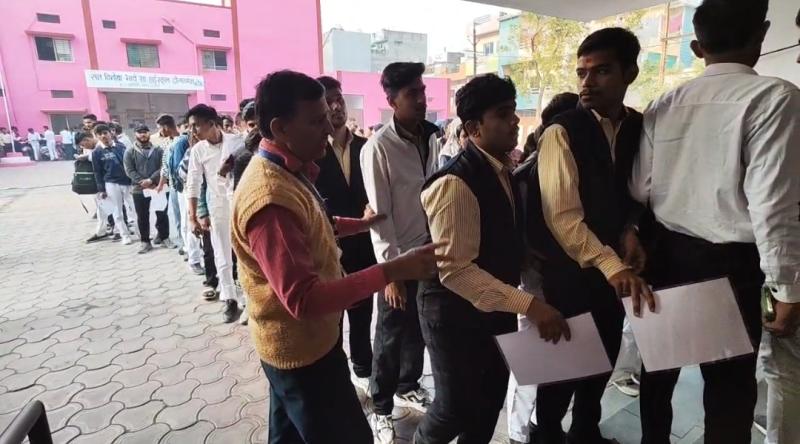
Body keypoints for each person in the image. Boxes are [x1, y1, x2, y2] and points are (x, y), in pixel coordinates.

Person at [229, 69, 440, 444]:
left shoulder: (288, 170)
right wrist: (392, 270)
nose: (329, 128)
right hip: (301, 354)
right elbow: (304, 299)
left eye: (328, 115)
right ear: (280, 128)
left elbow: (314, 222)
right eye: (316, 121)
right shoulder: (270, 200)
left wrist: (360, 224)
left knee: (288, 435)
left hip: (303, 346)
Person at [629, 1, 800, 443]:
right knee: (728, 391)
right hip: (732, 265)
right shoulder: (775, 98)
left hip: (666, 256)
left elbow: (640, 188)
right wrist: (786, 288)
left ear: (696, 47)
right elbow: (772, 204)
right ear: (762, 35)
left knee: (658, 372)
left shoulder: (665, 102)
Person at [414, 73, 569, 444]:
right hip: (452, 312)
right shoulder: (454, 183)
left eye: (513, 111)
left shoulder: (503, 169)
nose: (514, 121)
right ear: (473, 128)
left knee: (488, 399)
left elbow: (499, 235)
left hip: (493, 305)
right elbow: (456, 272)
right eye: (502, 114)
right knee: (454, 407)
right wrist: (531, 306)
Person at [530, 28, 653, 444]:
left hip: (614, 274)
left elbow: (638, 192)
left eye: (601, 71)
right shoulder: (561, 132)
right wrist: (611, 264)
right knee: (561, 373)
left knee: (601, 362)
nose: (587, 82)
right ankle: (545, 436)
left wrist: (631, 228)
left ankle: (586, 433)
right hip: (570, 275)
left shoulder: (638, 126)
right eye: (582, 72)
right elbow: (563, 218)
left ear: (630, 73)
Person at [360, 62, 440, 443]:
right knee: (390, 335)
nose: (422, 100)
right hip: (398, 255)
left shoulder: (431, 136)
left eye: (422, 91)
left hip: (429, 251)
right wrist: (390, 272)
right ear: (392, 101)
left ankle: (408, 385)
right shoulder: (378, 147)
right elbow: (379, 216)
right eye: (412, 94)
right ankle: (380, 408)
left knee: (420, 327)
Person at [506, 90, 584, 444]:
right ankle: (518, 433)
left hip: (560, 279)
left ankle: (539, 424)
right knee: (530, 362)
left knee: (552, 358)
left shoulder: (570, 166)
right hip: (534, 281)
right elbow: (520, 234)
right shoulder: (527, 173)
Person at [314, 75, 379, 393]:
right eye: (328, 101)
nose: (336, 106)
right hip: (330, 248)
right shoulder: (312, 151)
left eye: (338, 99)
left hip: (365, 244)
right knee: (333, 319)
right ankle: (336, 379)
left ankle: (363, 369)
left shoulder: (366, 148)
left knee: (363, 313)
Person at [185, 104, 244, 323]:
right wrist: (193, 217)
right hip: (217, 204)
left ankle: (250, 298)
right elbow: (193, 184)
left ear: (211, 123)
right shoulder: (198, 150)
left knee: (245, 251)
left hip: (239, 201)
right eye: (191, 126)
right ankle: (229, 299)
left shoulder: (236, 142)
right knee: (221, 252)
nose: (193, 131)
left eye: (196, 125)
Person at [123, 124, 169, 254]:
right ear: (135, 134)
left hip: (157, 187)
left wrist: (151, 180)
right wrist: (142, 181)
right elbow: (129, 170)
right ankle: (145, 241)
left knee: (162, 213)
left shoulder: (158, 150)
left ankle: (164, 237)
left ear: (149, 133)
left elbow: (163, 167)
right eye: (140, 132)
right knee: (142, 216)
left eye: (145, 132)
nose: (143, 134)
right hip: (139, 189)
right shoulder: (129, 151)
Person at [91, 123, 137, 246]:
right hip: (111, 183)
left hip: (127, 182)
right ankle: (124, 235)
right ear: (96, 136)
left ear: (111, 133)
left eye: (105, 133)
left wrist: (134, 180)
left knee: (134, 208)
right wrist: (101, 189)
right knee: (117, 211)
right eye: (99, 134)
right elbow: (97, 172)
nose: (103, 136)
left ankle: (141, 233)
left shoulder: (121, 147)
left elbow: (130, 164)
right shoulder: (97, 152)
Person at [152, 114, 183, 251]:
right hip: (173, 185)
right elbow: (165, 167)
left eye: (159, 128)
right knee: (178, 216)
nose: (159, 132)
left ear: (165, 127)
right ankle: (184, 244)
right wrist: (160, 184)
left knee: (187, 216)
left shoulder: (183, 140)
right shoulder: (165, 144)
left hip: (185, 185)